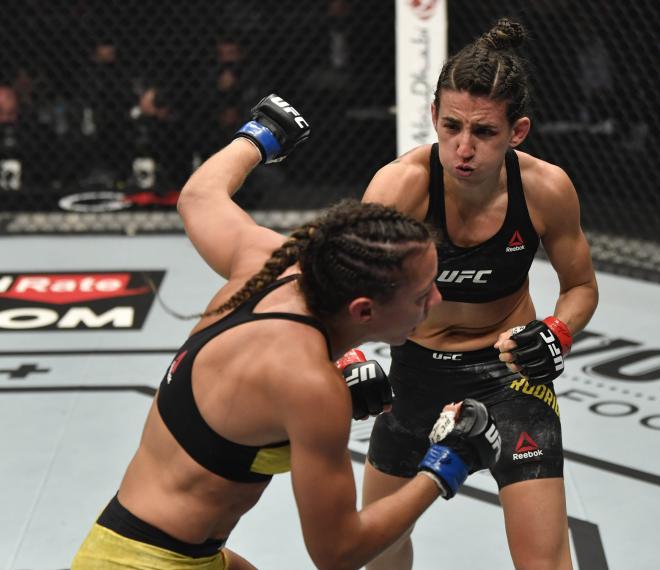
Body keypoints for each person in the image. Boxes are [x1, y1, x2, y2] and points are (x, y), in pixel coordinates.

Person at [72, 94, 501, 569]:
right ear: (363, 310)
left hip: (155, 546)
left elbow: (199, 196)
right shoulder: (310, 385)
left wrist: (261, 135)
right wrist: (447, 464)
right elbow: (337, 554)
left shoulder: (269, 263)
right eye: (422, 296)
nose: (437, 302)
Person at [358, 18, 599, 570]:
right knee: (375, 553)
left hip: (510, 377)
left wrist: (557, 332)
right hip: (415, 376)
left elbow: (581, 287)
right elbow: (331, 287)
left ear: (517, 131)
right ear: (434, 119)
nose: (463, 148)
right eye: (451, 127)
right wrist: (347, 355)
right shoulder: (400, 187)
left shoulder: (545, 189)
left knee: (545, 563)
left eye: (484, 132)